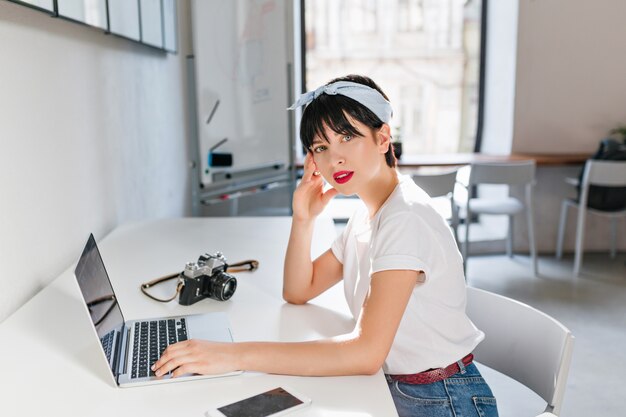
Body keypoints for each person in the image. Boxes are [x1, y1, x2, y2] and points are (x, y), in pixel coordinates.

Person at [153, 74, 499, 417]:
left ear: (382, 138)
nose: (334, 159)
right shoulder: (368, 214)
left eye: (347, 137)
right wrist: (303, 218)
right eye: (321, 147)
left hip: (441, 398)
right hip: (394, 386)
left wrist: (233, 355)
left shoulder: (403, 217)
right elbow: (299, 289)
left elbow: (365, 354)